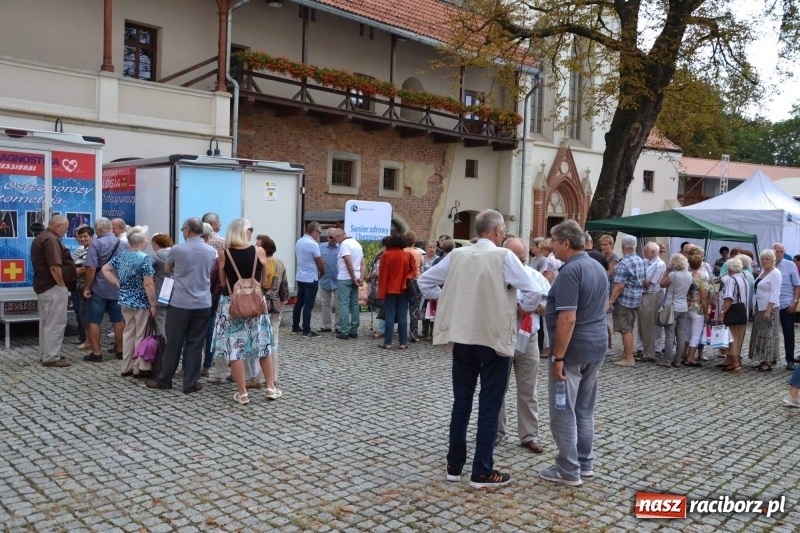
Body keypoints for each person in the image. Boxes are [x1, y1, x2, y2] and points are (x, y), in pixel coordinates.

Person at [418, 210, 541, 489]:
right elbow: (532, 292)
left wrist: (449, 300)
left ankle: (454, 464)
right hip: (494, 338)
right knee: (489, 403)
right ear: (498, 231)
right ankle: (482, 470)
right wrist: (516, 308)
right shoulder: (504, 256)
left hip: (463, 336)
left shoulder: (458, 254)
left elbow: (425, 282)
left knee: (461, 402)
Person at [539, 219, 608, 486]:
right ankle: (585, 462)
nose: (552, 247)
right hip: (595, 345)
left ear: (566, 242)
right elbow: (595, 307)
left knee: (563, 410)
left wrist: (558, 357)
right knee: (585, 409)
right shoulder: (597, 266)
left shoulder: (570, 271)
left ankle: (568, 470)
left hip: (572, 351)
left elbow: (568, 318)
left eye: (554, 241)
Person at [146, 217, 216, 393]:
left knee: (174, 343)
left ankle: (165, 379)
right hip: (203, 303)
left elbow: (168, 269)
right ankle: (190, 383)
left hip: (180, 303)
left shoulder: (177, 249)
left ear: (187, 230)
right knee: (195, 344)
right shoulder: (210, 251)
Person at [211, 219, 278, 404]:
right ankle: (271, 387)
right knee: (263, 345)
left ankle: (242, 393)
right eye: (250, 229)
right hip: (256, 304)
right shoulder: (259, 251)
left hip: (232, 305)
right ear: (245, 231)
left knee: (235, 349)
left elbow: (224, 282)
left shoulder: (224, 254)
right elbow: (264, 279)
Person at [496, 237, 549, 454]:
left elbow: (549, 306)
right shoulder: (497, 277)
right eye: (515, 259)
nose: (520, 263)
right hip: (501, 337)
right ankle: (496, 432)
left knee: (528, 390)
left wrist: (533, 306)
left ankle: (529, 435)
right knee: (497, 388)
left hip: (528, 338)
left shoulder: (535, 276)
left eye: (523, 258)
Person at [101, 226, 157, 377]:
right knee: (141, 333)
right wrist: (153, 304)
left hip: (125, 299)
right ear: (141, 242)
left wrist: (116, 282)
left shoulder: (122, 255)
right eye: (145, 241)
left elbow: (105, 269)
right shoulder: (144, 258)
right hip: (141, 301)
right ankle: (139, 367)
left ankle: (126, 367)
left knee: (128, 332)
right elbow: (148, 283)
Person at [31, 215, 75, 367]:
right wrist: (62, 286)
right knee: (56, 322)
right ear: (58, 226)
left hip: (43, 285)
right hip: (52, 286)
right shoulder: (51, 239)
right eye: (66, 227)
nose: (66, 230)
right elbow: (55, 266)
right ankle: (51, 357)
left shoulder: (41, 237)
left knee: (46, 322)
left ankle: (46, 353)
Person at [82, 217, 127, 363]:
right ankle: (121, 350)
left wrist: (87, 287)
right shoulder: (123, 244)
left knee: (94, 320)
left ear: (100, 229)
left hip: (99, 288)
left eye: (96, 229)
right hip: (117, 288)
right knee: (119, 320)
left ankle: (97, 353)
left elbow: (90, 268)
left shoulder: (96, 244)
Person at [608, 235, 646, 367]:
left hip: (624, 300)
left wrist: (610, 301)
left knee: (625, 329)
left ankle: (629, 358)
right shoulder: (640, 260)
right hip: (635, 298)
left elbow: (619, 285)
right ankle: (625, 354)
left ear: (623, 246)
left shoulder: (624, 263)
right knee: (629, 326)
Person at [258, 234, 289, 386]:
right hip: (275, 307)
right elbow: (284, 288)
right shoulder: (280, 264)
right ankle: (273, 376)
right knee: (273, 342)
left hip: (260, 306)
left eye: (258, 246)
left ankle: (258, 376)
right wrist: (282, 304)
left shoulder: (259, 264)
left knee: (259, 342)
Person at [377, 233, 415, 349]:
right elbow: (413, 272)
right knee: (402, 316)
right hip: (404, 290)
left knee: (389, 315)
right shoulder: (408, 255)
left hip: (389, 290)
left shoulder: (386, 255)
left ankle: (387, 343)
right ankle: (403, 343)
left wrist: (381, 293)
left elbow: (383, 276)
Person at [749, 249, 782, 371]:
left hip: (769, 307)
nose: (764, 261)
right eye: (763, 258)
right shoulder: (764, 271)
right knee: (760, 332)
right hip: (759, 306)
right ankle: (763, 358)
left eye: (767, 259)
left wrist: (768, 310)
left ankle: (768, 360)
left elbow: (775, 293)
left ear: (773, 260)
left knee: (768, 333)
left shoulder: (775, 273)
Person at [658, 253, 692, 368]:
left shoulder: (673, 275)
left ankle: (667, 360)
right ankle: (677, 360)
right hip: (683, 306)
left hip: (672, 306)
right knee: (681, 334)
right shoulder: (689, 275)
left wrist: (667, 271)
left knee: (670, 334)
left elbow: (662, 284)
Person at [293, 221, 324, 338]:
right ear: (314, 231)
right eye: (319, 232)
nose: (319, 235)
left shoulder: (299, 241)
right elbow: (319, 262)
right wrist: (322, 272)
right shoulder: (313, 244)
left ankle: (295, 326)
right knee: (309, 305)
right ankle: (307, 330)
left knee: (299, 303)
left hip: (300, 277)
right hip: (311, 278)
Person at [718, 258, 749, 373]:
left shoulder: (731, 280)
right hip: (742, 311)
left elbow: (729, 298)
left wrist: (722, 313)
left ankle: (735, 363)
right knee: (738, 338)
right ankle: (733, 362)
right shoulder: (744, 279)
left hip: (733, 310)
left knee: (731, 339)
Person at [773, 243, 800, 370]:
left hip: (786, 304)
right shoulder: (767, 265)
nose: (778, 254)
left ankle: (790, 359)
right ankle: (771, 356)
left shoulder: (790, 265)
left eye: (781, 251)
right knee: (771, 332)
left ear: (784, 252)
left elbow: (797, 285)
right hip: (771, 305)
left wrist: (795, 301)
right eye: (776, 251)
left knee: (788, 333)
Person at [637, 241, 665, 363]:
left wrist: (638, 279)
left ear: (653, 252)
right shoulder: (645, 262)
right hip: (644, 295)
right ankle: (644, 350)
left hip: (651, 295)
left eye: (646, 251)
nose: (644, 253)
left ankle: (649, 353)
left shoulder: (659, 264)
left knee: (648, 325)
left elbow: (648, 283)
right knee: (642, 324)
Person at [335, 230, 366, 340]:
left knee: (344, 304)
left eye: (335, 238)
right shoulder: (356, 243)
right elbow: (363, 263)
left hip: (345, 278)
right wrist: (361, 277)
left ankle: (344, 331)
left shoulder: (344, 244)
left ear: (339, 236)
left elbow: (348, 262)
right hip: (356, 277)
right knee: (354, 304)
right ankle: (354, 331)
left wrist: (352, 277)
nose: (336, 242)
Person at [681, 254, 709, 366]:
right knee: (696, 334)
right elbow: (704, 296)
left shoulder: (685, 275)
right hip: (697, 307)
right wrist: (706, 312)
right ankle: (691, 357)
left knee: (687, 331)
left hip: (686, 305)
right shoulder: (701, 277)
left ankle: (683, 353)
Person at [72, 225, 94, 349]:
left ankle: (89, 341)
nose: (82, 239)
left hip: (85, 285)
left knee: (86, 313)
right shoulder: (84, 249)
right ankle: (88, 340)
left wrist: (71, 274)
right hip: (80, 285)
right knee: (83, 313)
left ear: (91, 237)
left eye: (85, 236)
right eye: (80, 236)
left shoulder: (90, 249)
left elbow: (87, 268)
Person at [150, 233, 174, 342]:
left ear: (157, 244)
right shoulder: (176, 253)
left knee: (161, 319)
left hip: (162, 290)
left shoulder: (157, 255)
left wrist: (150, 277)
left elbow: (145, 269)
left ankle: (164, 346)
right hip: (177, 291)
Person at [318, 228, 340, 333]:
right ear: (327, 237)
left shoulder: (341, 248)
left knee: (339, 304)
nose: (333, 239)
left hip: (337, 280)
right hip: (325, 279)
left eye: (335, 237)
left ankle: (338, 326)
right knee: (325, 304)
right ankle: (326, 326)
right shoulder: (321, 247)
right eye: (331, 237)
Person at [404, 231, 424, 342]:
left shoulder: (402, 252)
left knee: (402, 307)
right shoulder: (419, 253)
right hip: (416, 281)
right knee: (414, 308)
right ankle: (413, 334)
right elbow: (420, 266)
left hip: (404, 282)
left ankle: (401, 331)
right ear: (414, 240)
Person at [420, 240, 438, 340]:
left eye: (434, 247)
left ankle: (432, 333)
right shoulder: (421, 259)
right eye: (430, 247)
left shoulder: (437, 260)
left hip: (432, 288)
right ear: (426, 248)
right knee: (423, 310)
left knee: (432, 311)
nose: (432, 249)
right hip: (422, 289)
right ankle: (424, 331)